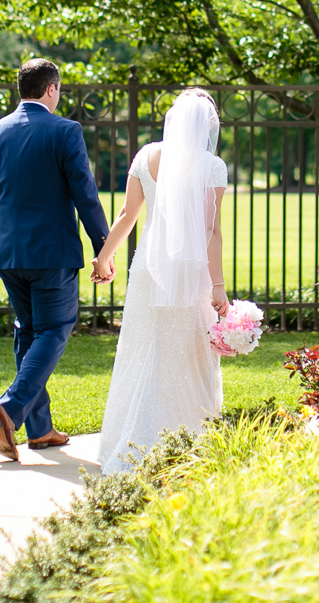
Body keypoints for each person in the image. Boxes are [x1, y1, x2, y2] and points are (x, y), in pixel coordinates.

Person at [0, 59, 111, 461]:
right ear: (51, 89)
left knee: (28, 332)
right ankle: (10, 408)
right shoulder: (66, 131)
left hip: (8, 254)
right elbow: (84, 193)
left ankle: (41, 428)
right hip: (52, 254)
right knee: (56, 328)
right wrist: (103, 248)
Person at [92, 87, 229, 474]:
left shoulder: (146, 155)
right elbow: (210, 232)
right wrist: (218, 286)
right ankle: (189, 437)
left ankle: (135, 438)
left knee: (144, 347)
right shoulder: (212, 166)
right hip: (191, 270)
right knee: (189, 351)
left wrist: (104, 257)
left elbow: (126, 215)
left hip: (149, 266)